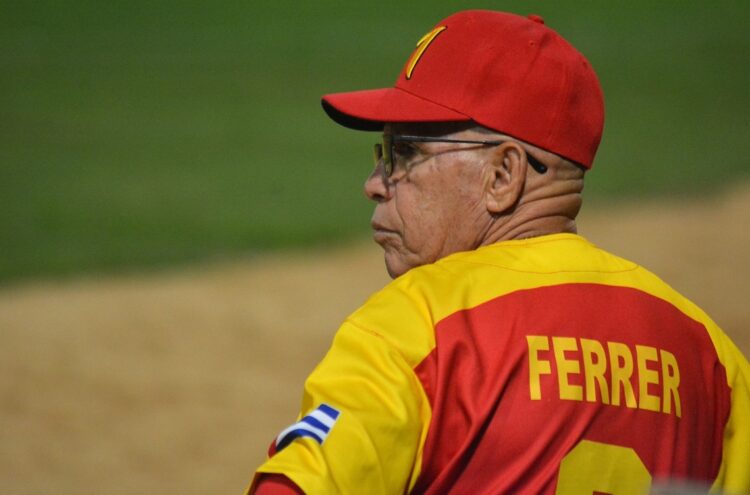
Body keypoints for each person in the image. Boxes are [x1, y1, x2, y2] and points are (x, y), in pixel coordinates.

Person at [248, 10, 750, 494]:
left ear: (503, 176)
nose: (374, 184)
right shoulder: (715, 363)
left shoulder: (417, 329)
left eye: (404, 153)